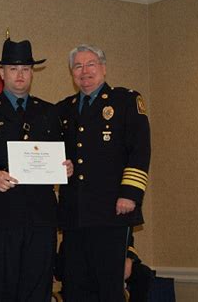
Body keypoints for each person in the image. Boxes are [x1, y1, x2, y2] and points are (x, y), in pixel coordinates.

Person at [0, 38, 73, 302]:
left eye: (25, 69)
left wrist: (66, 165)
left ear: (32, 73)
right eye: (12, 69)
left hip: (41, 217)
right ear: (1, 72)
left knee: (38, 289)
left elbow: (64, 153)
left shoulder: (48, 112)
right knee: (3, 289)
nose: (20, 75)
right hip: (0, 215)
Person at [56, 44, 151, 301]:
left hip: (112, 212)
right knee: (75, 287)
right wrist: (60, 167)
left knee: (109, 288)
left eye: (91, 65)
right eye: (78, 66)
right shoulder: (63, 109)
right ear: (71, 72)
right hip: (74, 215)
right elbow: (57, 154)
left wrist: (129, 194)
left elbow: (140, 151)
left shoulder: (126, 101)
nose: (84, 71)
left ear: (104, 69)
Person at [124, 231, 154, 302]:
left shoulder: (124, 220)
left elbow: (129, 241)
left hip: (120, 260)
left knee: (142, 273)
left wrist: (129, 258)